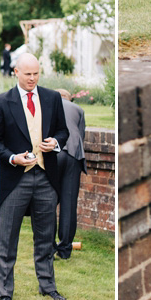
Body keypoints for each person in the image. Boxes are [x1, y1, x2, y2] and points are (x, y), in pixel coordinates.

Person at [0, 53, 69, 300]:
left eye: (36, 74)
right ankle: (5, 293)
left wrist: (55, 142)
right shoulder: (1, 102)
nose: (32, 78)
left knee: (45, 237)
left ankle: (47, 286)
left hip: (46, 177)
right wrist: (12, 157)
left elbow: (63, 131)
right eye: (27, 74)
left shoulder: (52, 98)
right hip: (15, 180)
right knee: (7, 240)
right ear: (16, 72)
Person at [54, 89, 86, 260]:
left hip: (54, 152)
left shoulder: (48, 105)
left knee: (48, 200)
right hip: (73, 155)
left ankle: (49, 247)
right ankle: (65, 249)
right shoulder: (78, 109)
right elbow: (81, 136)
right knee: (68, 203)